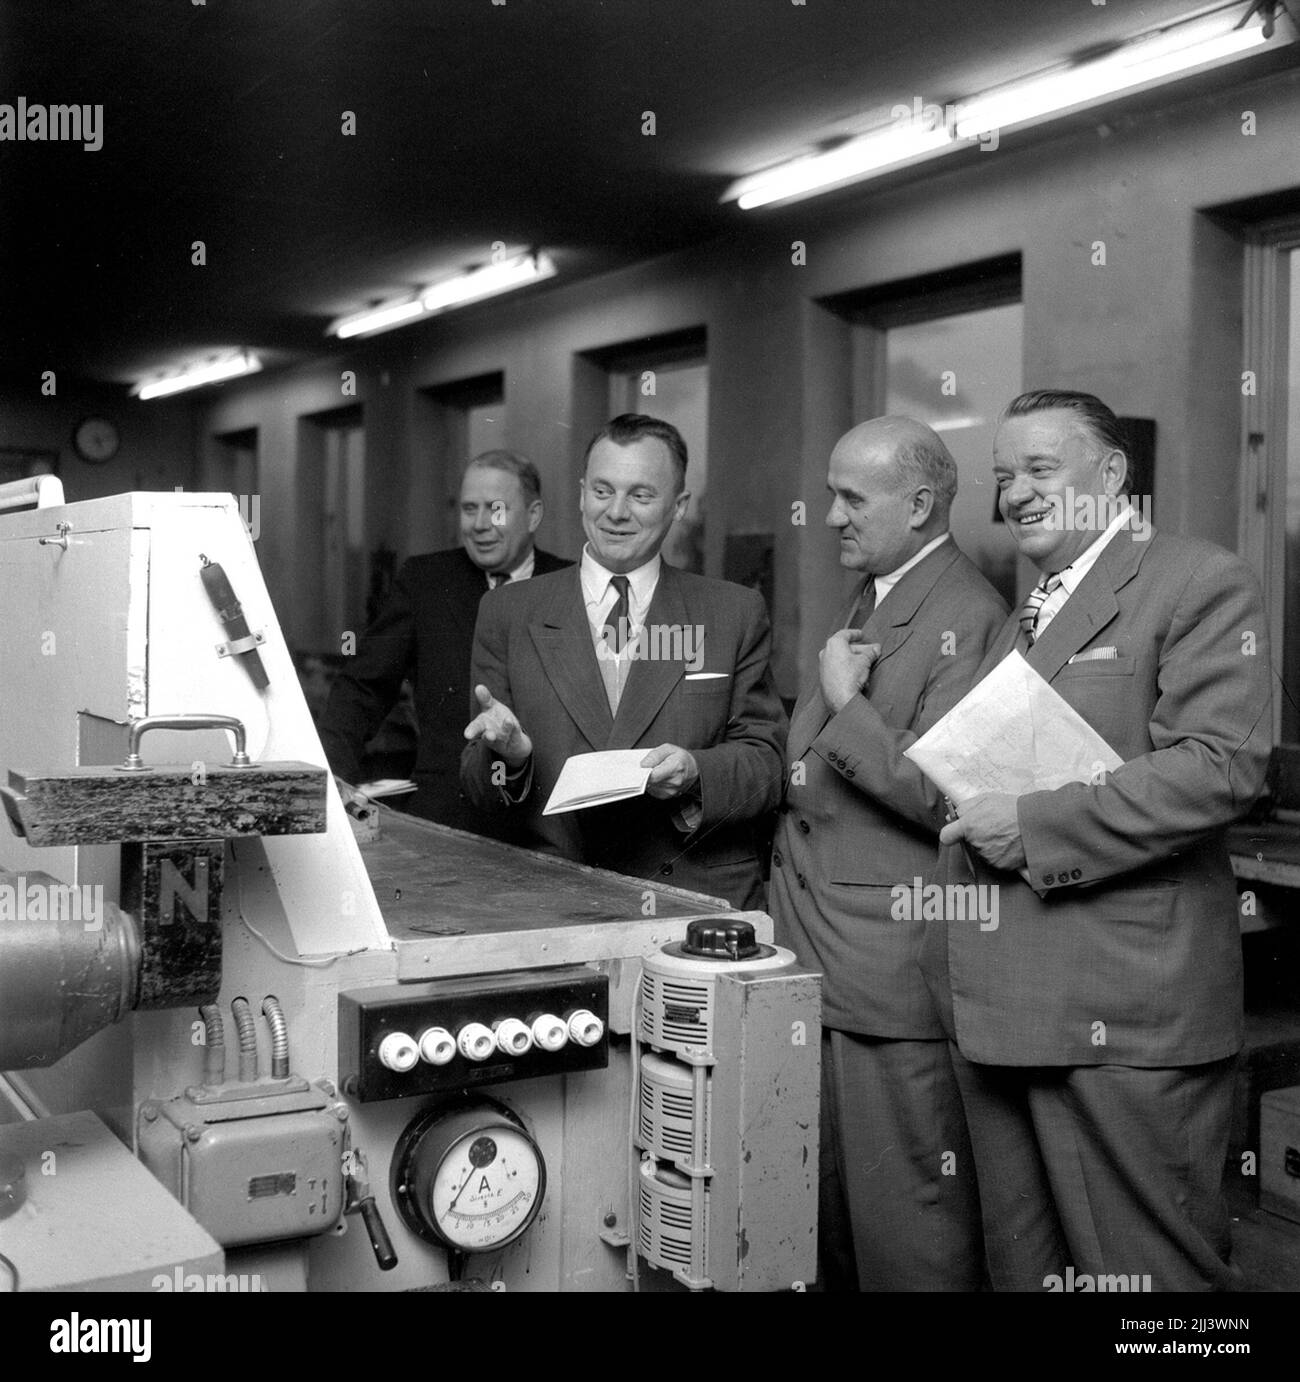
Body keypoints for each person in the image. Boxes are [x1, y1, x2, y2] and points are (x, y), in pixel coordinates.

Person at [932, 389, 1273, 1291]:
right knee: (1028, 1271)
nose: (1017, 495)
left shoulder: (1197, 579)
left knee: (1154, 1287)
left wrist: (1032, 824)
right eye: (1005, 478)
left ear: (1113, 474)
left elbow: (1219, 768)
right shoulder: (1034, 604)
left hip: (1124, 1015)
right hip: (1009, 1011)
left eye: (1041, 470)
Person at [768, 416, 1006, 1291]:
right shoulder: (881, 591)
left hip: (889, 973)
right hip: (829, 958)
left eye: (850, 497)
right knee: (831, 1221)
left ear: (919, 504)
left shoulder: (968, 615)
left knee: (910, 1229)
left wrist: (844, 703)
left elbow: (955, 800)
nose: (829, 514)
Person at [460, 413, 785, 908]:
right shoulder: (510, 611)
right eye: (603, 490)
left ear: (678, 506)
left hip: (690, 898)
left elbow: (767, 764)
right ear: (581, 493)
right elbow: (479, 786)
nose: (616, 512)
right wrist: (512, 757)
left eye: (640, 495)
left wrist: (697, 771)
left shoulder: (732, 612)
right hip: (552, 898)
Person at [318, 450, 571, 834]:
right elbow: (361, 688)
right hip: (448, 819)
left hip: (550, 820)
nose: (481, 524)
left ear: (534, 515)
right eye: (470, 509)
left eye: (496, 509)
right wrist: (333, 779)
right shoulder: (426, 582)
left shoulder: (572, 585)